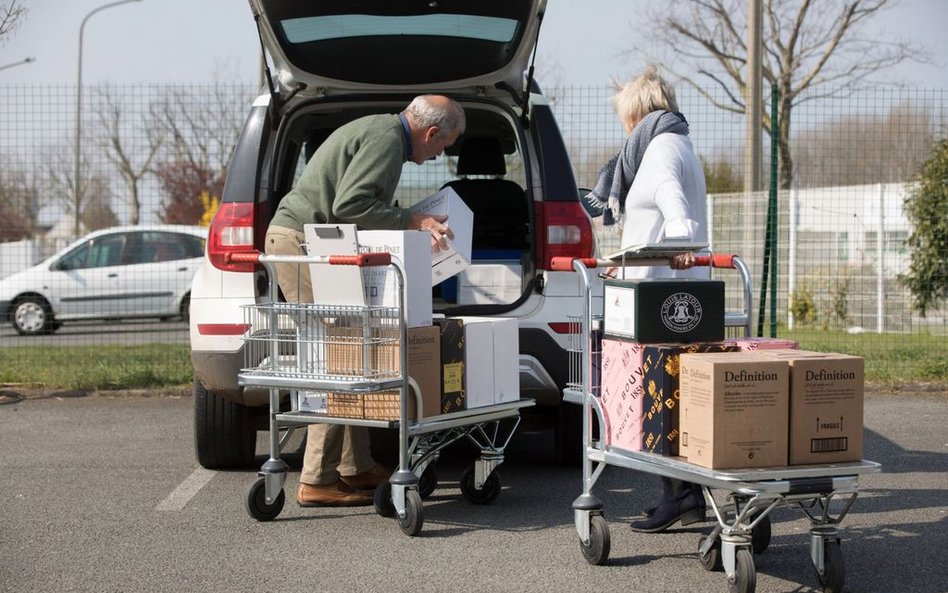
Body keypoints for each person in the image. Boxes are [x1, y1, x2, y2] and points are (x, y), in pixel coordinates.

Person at [265, 94, 466, 507]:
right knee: (340, 356)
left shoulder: (380, 131)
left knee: (351, 351)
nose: (436, 156)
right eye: (442, 146)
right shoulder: (388, 140)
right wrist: (412, 219)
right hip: (302, 244)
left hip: (311, 243)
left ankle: (355, 468)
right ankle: (317, 479)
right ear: (430, 133)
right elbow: (351, 205)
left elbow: (350, 205)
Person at [586, 66, 709, 533]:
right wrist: (633, 262)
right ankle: (686, 494)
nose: (623, 127)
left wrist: (677, 246)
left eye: (624, 117)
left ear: (637, 113)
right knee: (677, 395)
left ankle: (678, 495)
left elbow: (674, 211)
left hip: (659, 297)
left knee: (659, 396)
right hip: (673, 289)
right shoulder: (680, 142)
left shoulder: (657, 149)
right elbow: (654, 222)